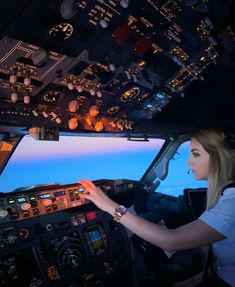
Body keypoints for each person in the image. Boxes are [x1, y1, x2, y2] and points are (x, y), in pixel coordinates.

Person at [79, 125, 235, 286]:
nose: (189, 161)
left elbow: (171, 241)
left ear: (219, 156)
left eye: (195, 154)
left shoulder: (232, 203)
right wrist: (189, 282)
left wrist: (110, 207)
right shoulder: (227, 196)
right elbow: (226, 266)